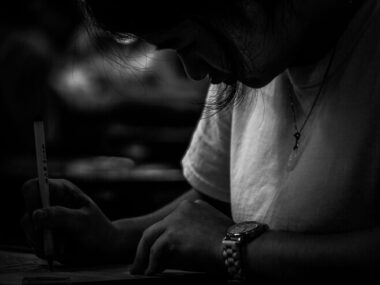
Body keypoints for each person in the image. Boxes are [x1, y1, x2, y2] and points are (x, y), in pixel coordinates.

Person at [22, 0, 380, 283]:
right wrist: (115, 237)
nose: (194, 71)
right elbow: (213, 201)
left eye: (188, 44)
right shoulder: (246, 54)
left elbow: (217, 234)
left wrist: (236, 249)